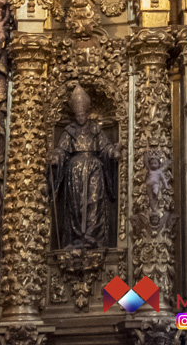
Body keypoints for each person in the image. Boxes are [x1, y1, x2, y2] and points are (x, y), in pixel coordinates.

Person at [49, 85, 117, 250]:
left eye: (83, 114)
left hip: (94, 169)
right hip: (74, 171)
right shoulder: (69, 131)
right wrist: (56, 157)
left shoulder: (95, 129)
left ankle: (92, 236)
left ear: (87, 113)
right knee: (76, 204)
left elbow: (105, 147)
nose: (80, 117)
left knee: (94, 201)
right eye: (78, 115)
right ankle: (77, 237)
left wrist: (112, 152)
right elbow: (61, 150)